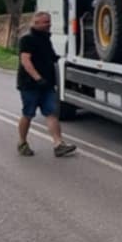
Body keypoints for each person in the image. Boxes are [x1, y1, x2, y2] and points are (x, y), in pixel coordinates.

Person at [17, 12, 75, 157]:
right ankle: (22, 143)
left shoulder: (46, 39)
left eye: (49, 21)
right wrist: (38, 78)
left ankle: (58, 144)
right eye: (45, 22)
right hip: (30, 85)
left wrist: (65, 60)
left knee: (51, 113)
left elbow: (51, 57)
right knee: (28, 114)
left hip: (47, 85)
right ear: (35, 23)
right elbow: (25, 61)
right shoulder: (27, 39)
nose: (49, 24)